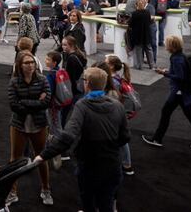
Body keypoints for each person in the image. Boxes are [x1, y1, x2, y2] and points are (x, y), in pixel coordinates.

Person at [34, 67, 130, 212]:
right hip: (113, 165)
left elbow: (68, 136)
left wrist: (43, 155)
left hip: (90, 165)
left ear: (87, 83)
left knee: (88, 202)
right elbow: (125, 137)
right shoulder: (118, 105)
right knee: (107, 203)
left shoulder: (83, 106)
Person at [143, 35, 191, 151]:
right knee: (188, 117)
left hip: (179, 93)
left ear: (171, 46)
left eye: (167, 43)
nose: (165, 45)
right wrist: (168, 72)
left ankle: (157, 139)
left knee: (168, 113)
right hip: (184, 92)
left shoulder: (176, 59)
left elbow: (180, 77)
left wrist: (165, 73)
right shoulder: (181, 56)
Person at [7, 50, 53, 207]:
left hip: (39, 124)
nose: (30, 65)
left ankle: (46, 189)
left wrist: (24, 102)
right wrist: (35, 102)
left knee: (41, 158)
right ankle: (12, 192)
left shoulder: (42, 79)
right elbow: (14, 105)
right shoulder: (14, 82)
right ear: (20, 65)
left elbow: (46, 102)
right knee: (15, 159)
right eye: (27, 63)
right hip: (19, 124)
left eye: (32, 62)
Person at [105, 55, 135, 176]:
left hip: (114, 114)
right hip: (119, 112)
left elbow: (112, 100)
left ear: (111, 66)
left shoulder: (114, 82)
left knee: (120, 139)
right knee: (120, 138)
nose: (104, 64)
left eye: (106, 62)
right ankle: (126, 163)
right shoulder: (118, 78)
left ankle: (126, 164)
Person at [127, 0, 153, 70]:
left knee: (138, 51)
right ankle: (152, 65)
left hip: (138, 35)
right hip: (146, 34)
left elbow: (130, 24)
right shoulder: (147, 12)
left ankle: (139, 66)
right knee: (149, 50)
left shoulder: (135, 14)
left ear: (136, 5)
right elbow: (149, 21)